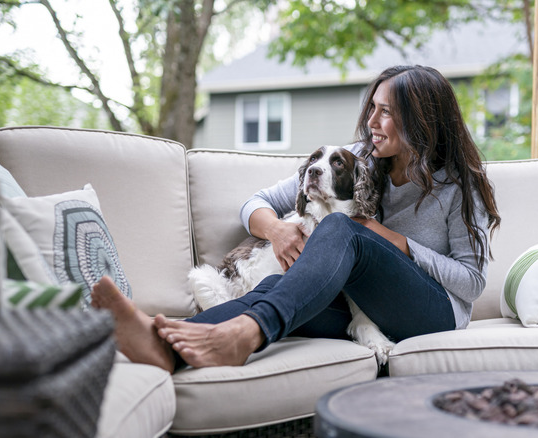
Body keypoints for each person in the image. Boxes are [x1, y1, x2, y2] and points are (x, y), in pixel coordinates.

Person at [91, 65, 501, 373]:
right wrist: (277, 230)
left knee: (341, 226)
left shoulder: (458, 186)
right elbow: (257, 203)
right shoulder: (359, 159)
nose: (372, 122)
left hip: (432, 313)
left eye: (387, 113)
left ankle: (247, 334)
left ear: (421, 120)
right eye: (372, 108)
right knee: (275, 284)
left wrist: (396, 242)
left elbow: (471, 281)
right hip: (365, 309)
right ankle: (162, 346)